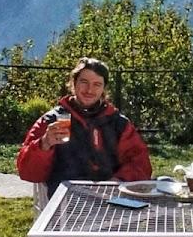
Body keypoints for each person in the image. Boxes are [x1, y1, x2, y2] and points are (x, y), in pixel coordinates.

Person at [17, 57, 152, 196]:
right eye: (84, 82)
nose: (89, 90)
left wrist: (115, 182)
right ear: (73, 83)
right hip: (66, 201)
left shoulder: (118, 123)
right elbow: (27, 173)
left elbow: (140, 164)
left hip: (111, 198)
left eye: (97, 84)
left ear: (104, 89)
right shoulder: (51, 120)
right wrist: (44, 144)